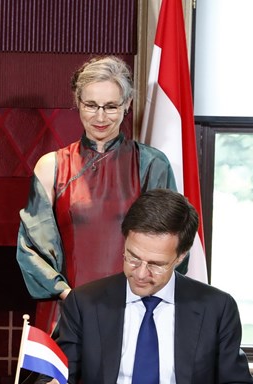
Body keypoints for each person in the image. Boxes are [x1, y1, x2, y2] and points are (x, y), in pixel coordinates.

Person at [30, 189, 253, 384]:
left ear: (181, 257)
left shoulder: (216, 307)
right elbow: (46, 382)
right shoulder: (85, 302)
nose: (141, 274)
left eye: (156, 264)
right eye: (133, 258)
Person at [17, 56, 180, 334]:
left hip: (136, 309)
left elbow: (170, 242)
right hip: (68, 309)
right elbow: (31, 248)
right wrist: (71, 297)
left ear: (127, 104)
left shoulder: (151, 164)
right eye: (91, 105)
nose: (100, 117)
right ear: (77, 102)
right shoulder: (51, 167)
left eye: (111, 106)